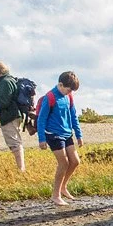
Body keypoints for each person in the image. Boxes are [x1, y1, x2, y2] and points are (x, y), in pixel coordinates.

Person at [36, 71, 84, 206]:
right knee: (63, 163)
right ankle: (55, 195)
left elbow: (73, 116)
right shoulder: (50, 97)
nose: (69, 93)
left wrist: (79, 135)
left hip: (67, 133)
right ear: (60, 85)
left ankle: (63, 187)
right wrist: (41, 139)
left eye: (72, 91)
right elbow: (41, 119)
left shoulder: (69, 97)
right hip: (53, 134)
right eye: (68, 90)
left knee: (75, 161)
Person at [0, 61, 27, 172]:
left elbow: (4, 102)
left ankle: (21, 168)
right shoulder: (10, 79)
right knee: (15, 141)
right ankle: (20, 168)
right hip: (14, 114)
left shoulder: (4, 82)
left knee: (14, 142)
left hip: (9, 115)